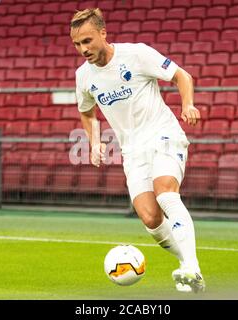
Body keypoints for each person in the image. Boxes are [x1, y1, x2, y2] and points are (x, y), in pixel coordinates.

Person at [70, 8, 205, 293]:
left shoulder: (137, 54)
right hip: (132, 150)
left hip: (163, 133)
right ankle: (191, 267)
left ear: (103, 34)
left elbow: (182, 75)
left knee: (166, 192)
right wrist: (95, 142)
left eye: (87, 41)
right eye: (77, 44)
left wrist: (188, 104)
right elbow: (86, 112)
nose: (83, 49)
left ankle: (190, 267)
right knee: (150, 218)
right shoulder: (83, 76)